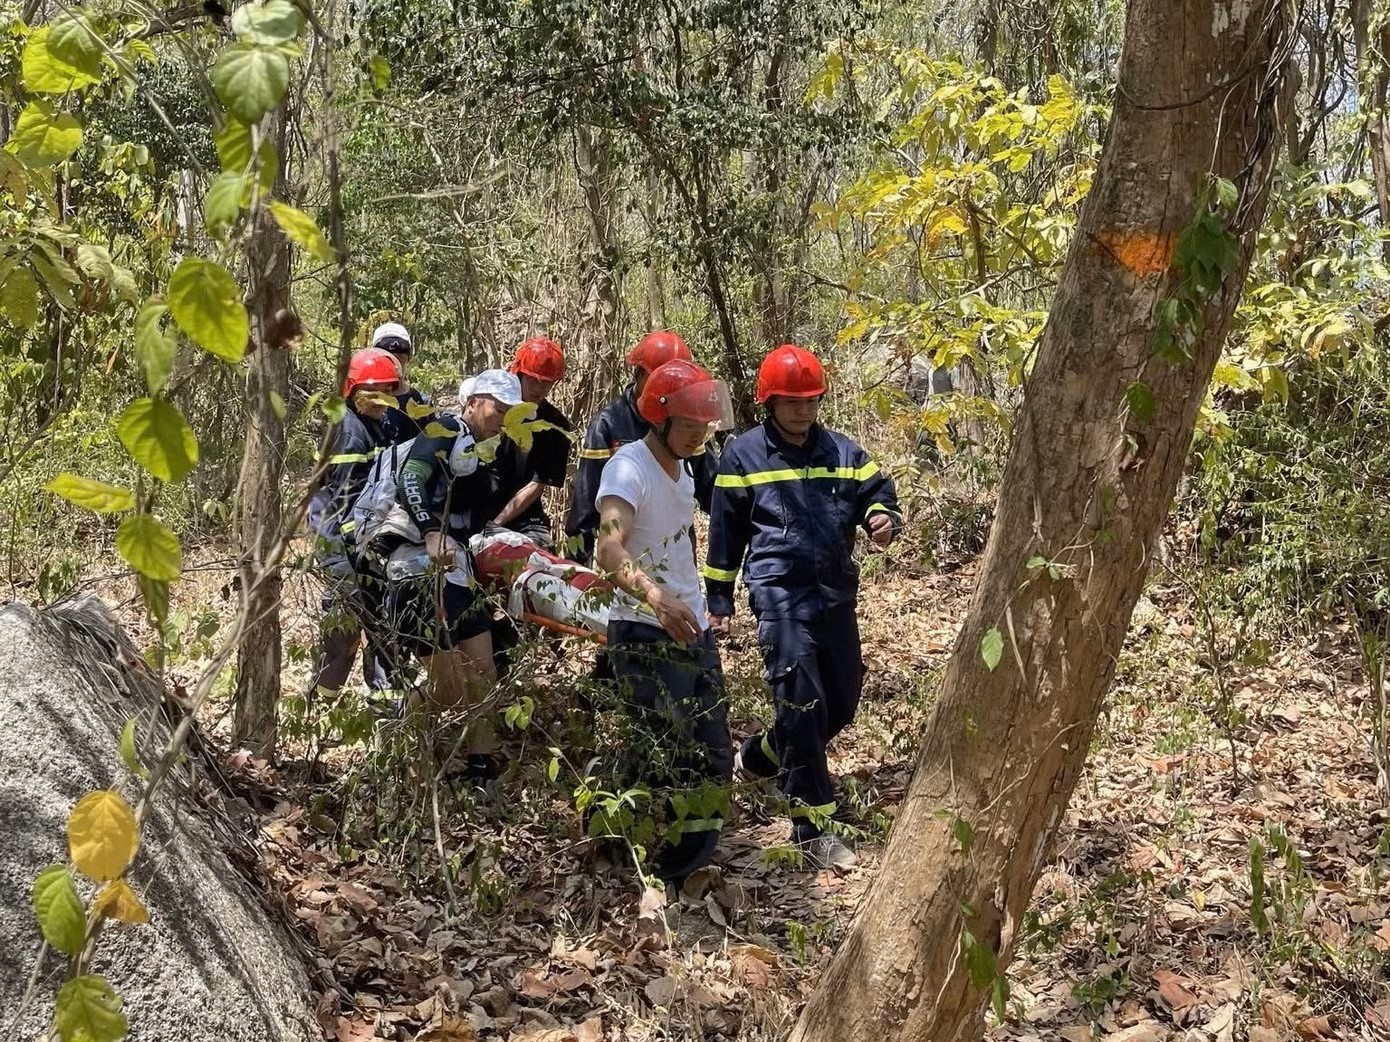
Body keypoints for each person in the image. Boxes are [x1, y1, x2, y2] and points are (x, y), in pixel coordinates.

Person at [703, 344, 902, 870]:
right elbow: (725, 533)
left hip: (836, 593)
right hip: (778, 594)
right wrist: (718, 597)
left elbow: (879, 493)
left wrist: (882, 518)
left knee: (842, 701)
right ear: (769, 401)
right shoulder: (742, 455)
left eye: (811, 399)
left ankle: (760, 756)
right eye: (792, 401)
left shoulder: (843, 452)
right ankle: (813, 824)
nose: (802, 410)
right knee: (802, 701)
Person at [594, 358, 735, 883]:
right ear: (659, 418)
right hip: (644, 628)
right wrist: (655, 596)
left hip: (690, 624)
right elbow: (608, 549)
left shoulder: (686, 468)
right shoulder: (627, 468)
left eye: (705, 429)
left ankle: (688, 863)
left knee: (714, 745)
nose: (699, 438)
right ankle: (614, 824)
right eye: (690, 428)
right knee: (669, 748)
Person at [375, 369, 524, 763]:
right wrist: (429, 531)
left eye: (511, 412)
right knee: (449, 688)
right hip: (416, 568)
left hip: (457, 569)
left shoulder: (491, 451)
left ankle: (482, 763)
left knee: (483, 674)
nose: (503, 418)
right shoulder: (443, 428)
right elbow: (412, 478)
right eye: (497, 408)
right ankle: (397, 749)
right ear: (473, 403)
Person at [305, 348, 406, 704]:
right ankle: (318, 703)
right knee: (344, 627)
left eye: (388, 391)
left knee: (383, 624)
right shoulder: (350, 432)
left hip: (364, 541)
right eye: (374, 392)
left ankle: (386, 707)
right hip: (339, 542)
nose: (383, 399)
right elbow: (346, 502)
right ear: (353, 390)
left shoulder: (377, 423)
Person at [565, 331, 717, 565]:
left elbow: (712, 491)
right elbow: (585, 505)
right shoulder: (609, 423)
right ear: (639, 373)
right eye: (659, 376)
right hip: (629, 566)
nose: (668, 387)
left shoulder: (687, 422)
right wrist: (575, 569)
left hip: (678, 561)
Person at [484, 336, 575, 547]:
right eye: (533, 380)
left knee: (539, 553)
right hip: (477, 506)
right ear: (519, 373)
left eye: (546, 383)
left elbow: (537, 484)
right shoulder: (489, 407)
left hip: (525, 518)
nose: (539, 389)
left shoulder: (555, 425)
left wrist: (496, 525)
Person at [369, 321, 432, 441]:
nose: (394, 364)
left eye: (400, 357)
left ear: (409, 358)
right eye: (387, 357)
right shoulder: (366, 400)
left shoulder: (421, 402)